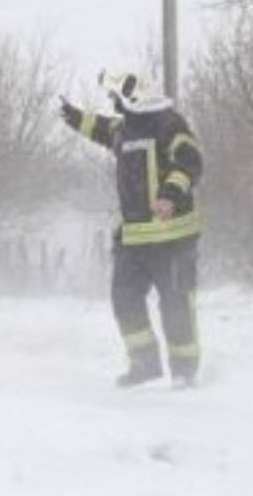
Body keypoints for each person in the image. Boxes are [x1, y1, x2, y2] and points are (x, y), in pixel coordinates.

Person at [60, 71, 203, 388]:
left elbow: (190, 161)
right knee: (124, 299)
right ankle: (144, 363)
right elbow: (99, 127)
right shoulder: (123, 129)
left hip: (174, 238)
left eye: (115, 98)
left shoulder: (169, 124)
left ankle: (184, 370)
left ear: (131, 97)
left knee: (176, 303)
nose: (113, 105)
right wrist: (72, 117)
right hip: (135, 239)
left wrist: (169, 194)